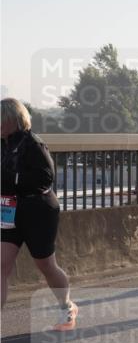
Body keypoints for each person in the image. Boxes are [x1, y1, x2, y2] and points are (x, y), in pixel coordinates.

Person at [0, 98, 76, 329]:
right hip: (9, 210)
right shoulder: (2, 144)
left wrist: (12, 179)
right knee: (1, 265)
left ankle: (66, 306)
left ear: (13, 120)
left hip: (38, 210)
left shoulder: (34, 144)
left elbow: (46, 178)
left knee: (45, 265)